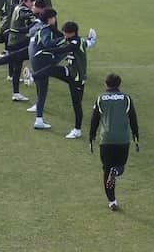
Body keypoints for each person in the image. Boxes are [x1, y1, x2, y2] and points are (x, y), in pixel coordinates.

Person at [88, 74, 140, 211]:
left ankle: (112, 201)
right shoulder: (126, 98)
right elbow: (133, 118)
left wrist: (91, 136)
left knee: (106, 169)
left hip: (106, 141)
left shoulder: (101, 99)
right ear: (119, 84)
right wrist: (136, 136)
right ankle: (116, 172)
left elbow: (95, 119)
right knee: (120, 166)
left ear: (106, 84)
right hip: (123, 140)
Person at [26, 7, 74, 131]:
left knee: (40, 85)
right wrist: (64, 39)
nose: (55, 19)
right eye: (54, 17)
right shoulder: (46, 29)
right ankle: (39, 120)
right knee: (43, 89)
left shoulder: (39, 27)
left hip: (34, 58)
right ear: (50, 19)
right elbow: (48, 43)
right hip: (42, 60)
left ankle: (37, 105)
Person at [52, 22, 98, 139]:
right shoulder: (77, 41)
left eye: (65, 32)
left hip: (78, 79)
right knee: (51, 70)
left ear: (71, 33)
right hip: (71, 74)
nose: (64, 34)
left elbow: (65, 49)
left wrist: (47, 50)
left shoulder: (76, 43)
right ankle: (34, 76)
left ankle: (77, 130)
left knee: (77, 104)